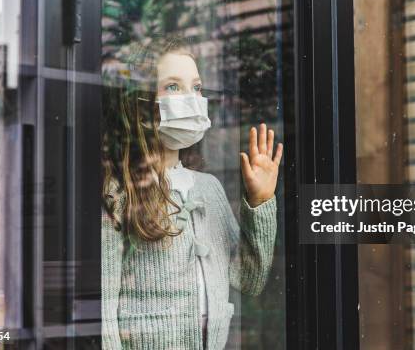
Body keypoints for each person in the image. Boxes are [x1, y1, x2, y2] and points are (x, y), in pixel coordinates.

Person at [101, 38, 283, 350]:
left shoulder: (208, 188)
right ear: (141, 104)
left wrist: (260, 201)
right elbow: (103, 310)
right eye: (173, 86)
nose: (191, 98)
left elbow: (249, 277)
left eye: (197, 88)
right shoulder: (119, 189)